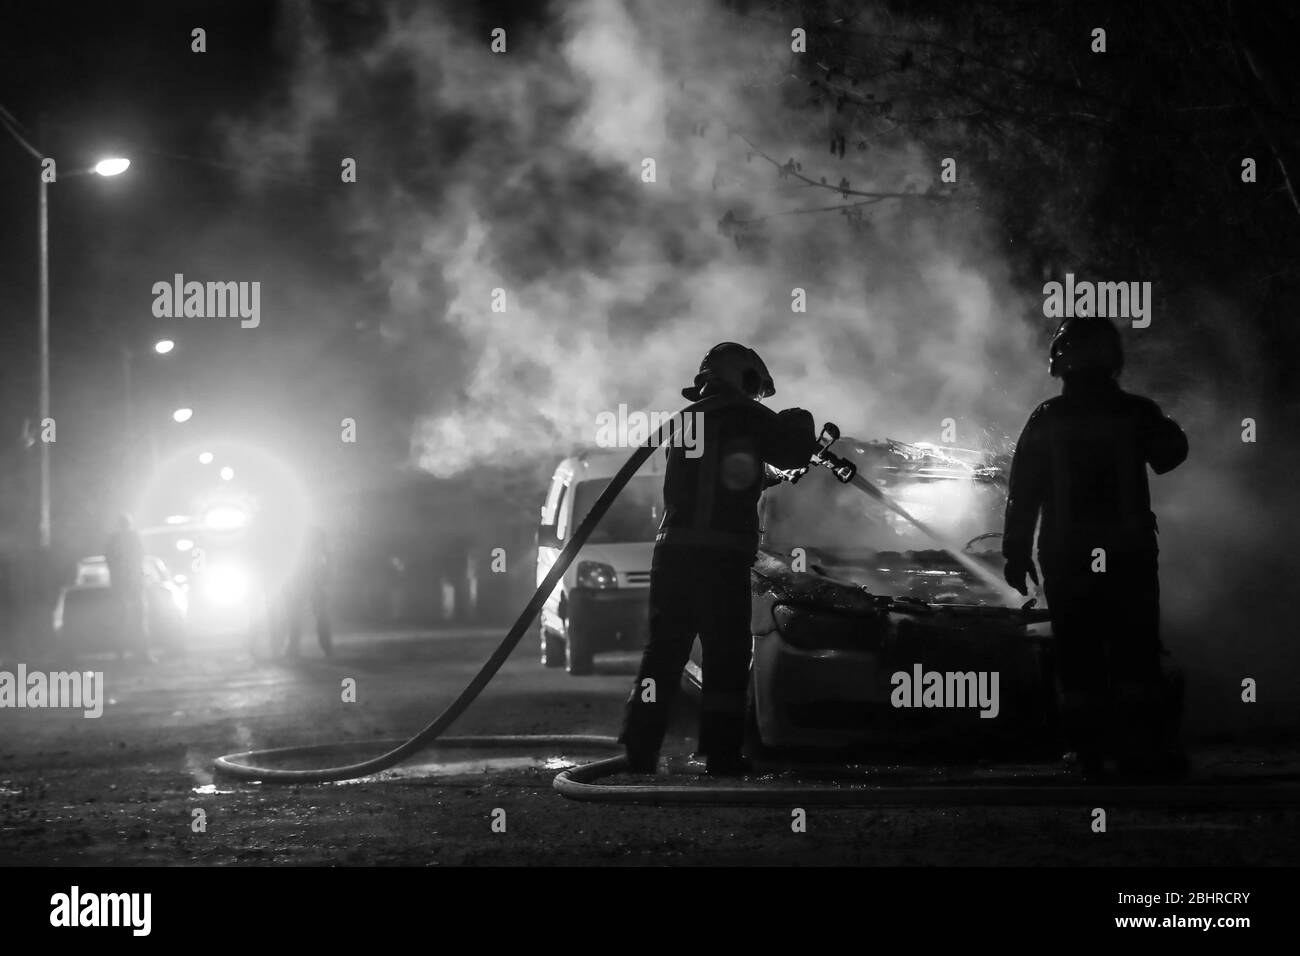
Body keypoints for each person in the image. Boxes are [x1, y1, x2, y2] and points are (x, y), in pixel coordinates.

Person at [1002, 317, 1188, 779]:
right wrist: (1166, 424)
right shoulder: (1135, 412)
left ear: (1060, 363)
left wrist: (1016, 552)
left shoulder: (1048, 419)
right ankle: (1139, 752)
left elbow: (1022, 492)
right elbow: (1170, 456)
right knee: (1135, 652)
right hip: (1130, 555)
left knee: (1078, 652)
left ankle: (1087, 754)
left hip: (1067, 556)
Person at [620, 343, 818, 775]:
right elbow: (792, 449)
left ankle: (639, 749)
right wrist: (800, 420)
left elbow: (715, 475)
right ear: (743, 378)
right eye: (756, 388)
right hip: (718, 559)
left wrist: (763, 479)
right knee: (725, 655)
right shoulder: (745, 415)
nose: (757, 398)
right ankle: (723, 756)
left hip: (672, 556)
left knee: (664, 653)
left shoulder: (689, 421)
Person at [105, 513, 151, 661]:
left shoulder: (114, 539)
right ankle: (141, 653)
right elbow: (140, 556)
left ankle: (121, 655)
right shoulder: (133, 537)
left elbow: (109, 560)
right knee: (138, 619)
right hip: (132, 582)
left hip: (121, 583)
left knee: (121, 619)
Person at [285, 525, 333, 658]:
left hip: (308, 582)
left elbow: (324, 563)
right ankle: (325, 647)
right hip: (310, 582)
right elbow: (325, 563)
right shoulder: (319, 546)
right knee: (316, 615)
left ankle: (295, 647)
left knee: (299, 615)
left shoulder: (308, 545)